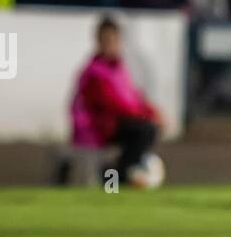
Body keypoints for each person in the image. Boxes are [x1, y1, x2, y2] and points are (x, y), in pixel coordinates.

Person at [67, 17, 162, 185]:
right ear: (98, 41)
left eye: (114, 40)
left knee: (146, 131)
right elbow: (114, 104)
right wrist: (145, 116)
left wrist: (152, 112)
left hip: (114, 123)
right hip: (97, 128)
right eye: (107, 41)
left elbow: (133, 97)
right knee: (146, 131)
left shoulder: (118, 69)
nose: (112, 45)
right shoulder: (94, 72)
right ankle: (116, 177)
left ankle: (120, 175)